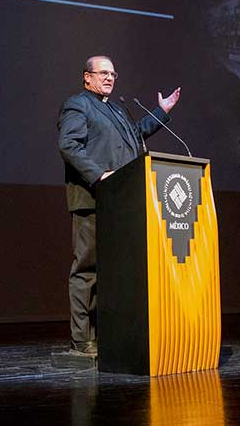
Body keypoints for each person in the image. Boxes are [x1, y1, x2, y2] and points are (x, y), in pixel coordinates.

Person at [57, 55, 180, 357]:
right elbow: (69, 145)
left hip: (121, 202)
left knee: (116, 273)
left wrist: (161, 112)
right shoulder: (78, 105)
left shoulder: (116, 109)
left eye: (113, 74)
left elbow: (133, 136)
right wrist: (99, 175)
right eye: (103, 73)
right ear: (87, 77)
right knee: (87, 271)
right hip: (92, 200)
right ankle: (82, 340)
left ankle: (109, 335)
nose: (110, 78)